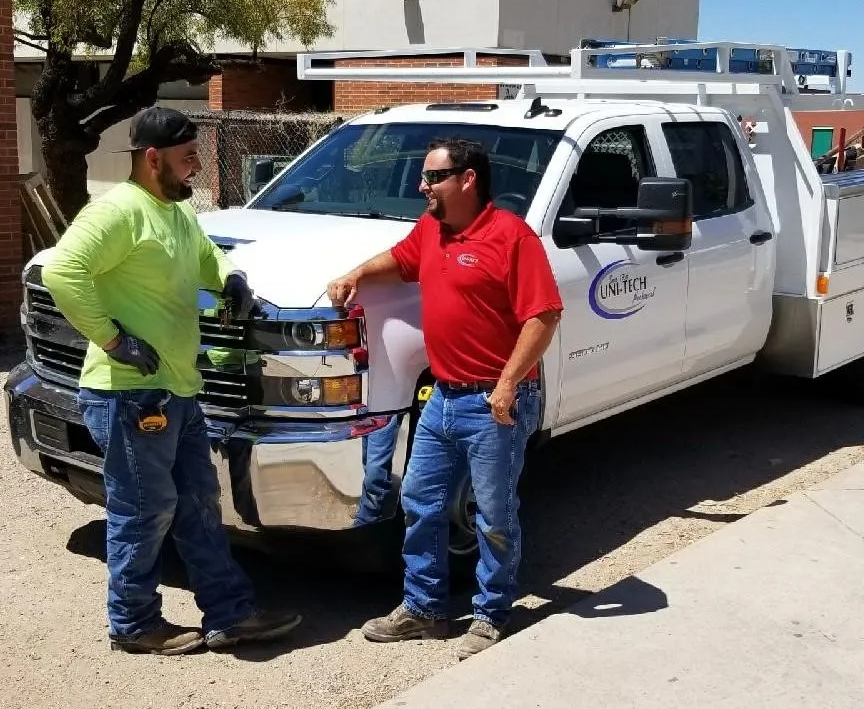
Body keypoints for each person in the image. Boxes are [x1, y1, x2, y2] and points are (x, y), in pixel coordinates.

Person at [42, 107, 302, 655]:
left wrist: (230, 278)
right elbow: (62, 271)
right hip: (129, 394)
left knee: (199, 506)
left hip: (178, 392)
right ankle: (134, 625)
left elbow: (205, 254)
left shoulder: (174, 212)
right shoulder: (117, 212)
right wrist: (114, 340)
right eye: (188, 158)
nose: (197, 167)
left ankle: (229, 615)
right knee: (145, 510)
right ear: (151, 158)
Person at [326, 138, 563, 660]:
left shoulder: (512, 237)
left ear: (468, 180)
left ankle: (491, 613)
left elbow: (543, 316)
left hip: (496, 403)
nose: (422, 186)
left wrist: (506, 385)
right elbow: (401, 258)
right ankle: (425, 609)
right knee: (420, 502)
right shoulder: (433, 229)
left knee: (494, 514)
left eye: (433, 177)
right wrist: (356, 274)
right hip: (443, 399)